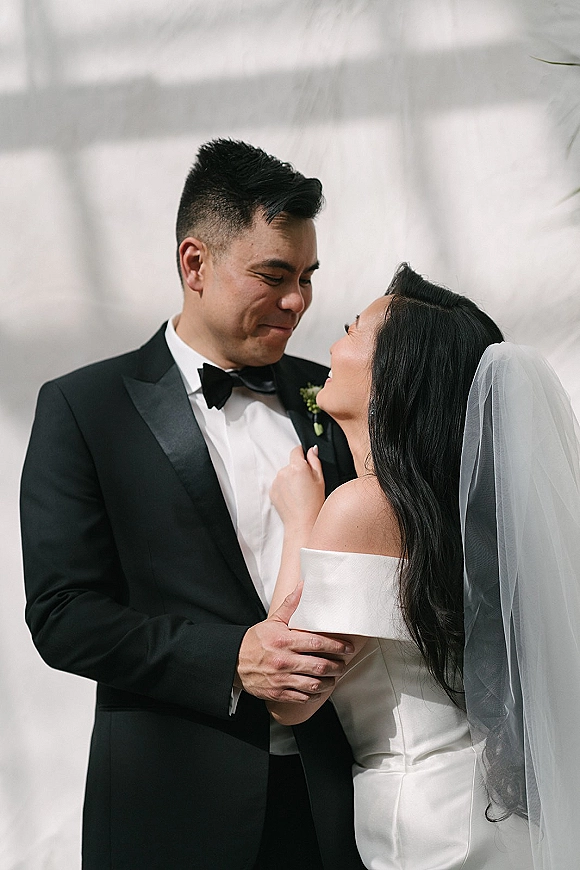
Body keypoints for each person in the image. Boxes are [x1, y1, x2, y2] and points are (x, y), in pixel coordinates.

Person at [20, 139, 365, 870]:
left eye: (306, 277)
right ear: (195, 264)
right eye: (273, 275)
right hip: (166, 811)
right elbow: (62, 615)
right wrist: (231, 657)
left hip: (335, 802)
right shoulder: (84, 408)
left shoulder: (332, 395)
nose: (299, 301)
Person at [268, 263, 577, 868]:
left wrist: (298, 521)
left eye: (353, 330)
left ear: (393, 374)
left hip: (430, 819)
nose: (332, 343)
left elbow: (290, 696)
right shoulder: (457, 512)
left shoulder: (358, 506)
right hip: (497, 805)